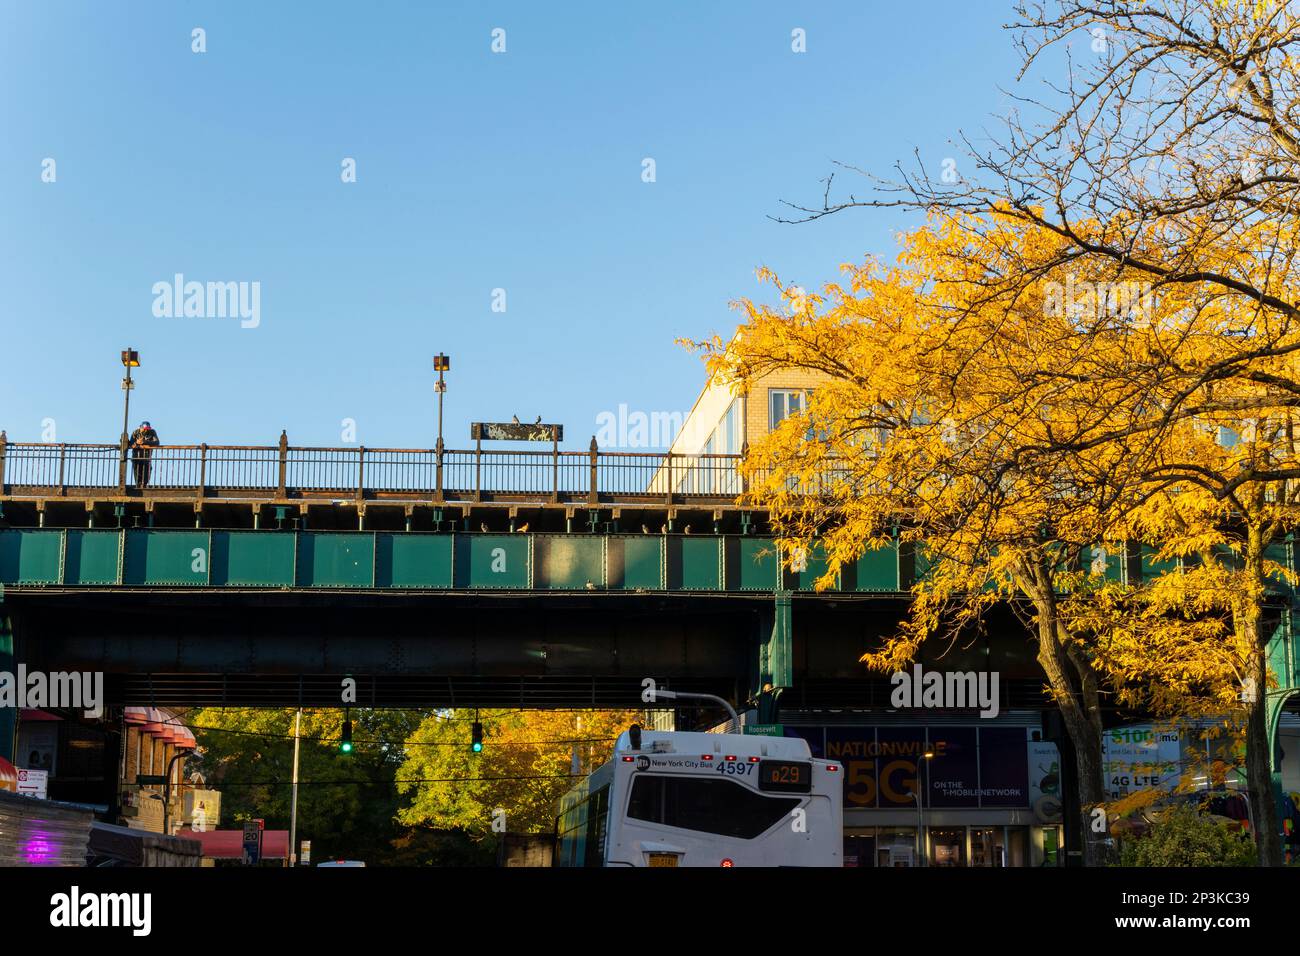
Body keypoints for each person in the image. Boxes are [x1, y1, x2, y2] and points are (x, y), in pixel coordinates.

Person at [129, 421, 160, 488]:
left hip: (146, 455)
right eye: (145, 429)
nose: (146, 430)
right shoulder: (135, 432)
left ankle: (144, 484)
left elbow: (157, 442)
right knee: (137, 469)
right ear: (141, 427)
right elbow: (131, 444)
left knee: (147, 469)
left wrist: (145, 442)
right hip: (136, 455)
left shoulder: (152, 432)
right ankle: (138, 484)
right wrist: (136, 443)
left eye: (147, 429)